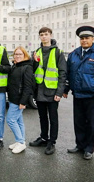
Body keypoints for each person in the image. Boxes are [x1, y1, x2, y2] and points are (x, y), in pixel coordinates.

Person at [63, 26, 94, 160]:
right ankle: (80, 145)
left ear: (92, 39)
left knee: (91, 123)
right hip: (78, 94)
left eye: (87, 38)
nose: (84, 40)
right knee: (78, 122)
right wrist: (65, 89)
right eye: (82, 38)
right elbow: (69, 74)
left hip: (92, 97)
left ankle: (89, 148)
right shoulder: (74, 54)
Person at [29, 27, 66, 155]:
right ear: (39, 37)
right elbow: (33, 70)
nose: (44, 37)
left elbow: (62, 74)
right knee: (42, 117)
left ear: (50, 35)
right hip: (39, 90)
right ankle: (44, 138)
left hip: (52, 91)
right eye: (41, 35)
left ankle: (52, 142)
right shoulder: (36, 52)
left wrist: (59, 93)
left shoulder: (58, 52)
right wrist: (33, 61)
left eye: (46, 34)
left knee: (53, 118)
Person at [6, 46, 34, 154]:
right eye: (16, 54)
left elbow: (28, 86)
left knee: (11, 120)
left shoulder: (27, 67)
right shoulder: (16, 66)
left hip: (19, 99)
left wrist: (23, 102)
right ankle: (21, 141)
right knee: (18, 121)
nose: (17, 56)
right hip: (13, 98)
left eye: (20, 54)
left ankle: (21, 142)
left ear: (25, 55)